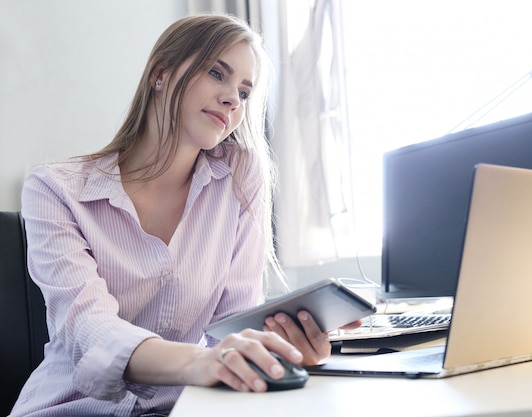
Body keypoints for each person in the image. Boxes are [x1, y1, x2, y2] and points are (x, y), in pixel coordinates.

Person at [10, 13, 358, 417]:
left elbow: (231, 326)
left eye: (245, 93)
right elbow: (89, 329)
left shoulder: (241, 179)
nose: (232, 99)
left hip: (190, 408)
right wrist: (202, 362)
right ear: (161, 75)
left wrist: (275, 350)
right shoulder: (55, 190)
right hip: (72, 408)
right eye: (216, 73)